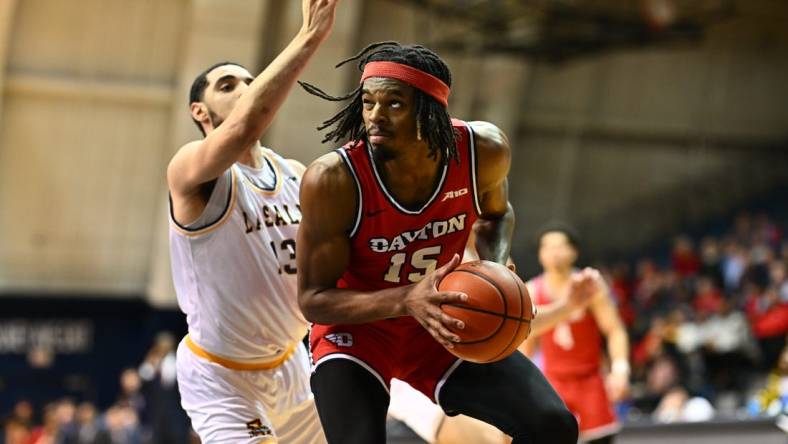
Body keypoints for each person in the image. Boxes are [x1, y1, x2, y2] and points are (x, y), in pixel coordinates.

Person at [296, 42, 578, 444]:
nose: (375, 116)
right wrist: (407, 298)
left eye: (394, 104)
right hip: (357, 332)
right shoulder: (333, 180)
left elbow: (498, 214)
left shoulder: (482, 150)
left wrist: (494, 266)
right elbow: (312, 299)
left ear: (430, 110)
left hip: (443, 321)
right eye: (368, 102)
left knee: (553, 425)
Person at [166, 1, 338, 442]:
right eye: (228, 85)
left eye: (249, 80)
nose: (246, 87)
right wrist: (309, 36)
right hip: (222, 377)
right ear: (200, 114)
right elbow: (243, 128)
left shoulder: (297, 175)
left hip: (291, 363)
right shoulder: (190, 170)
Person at [520, 224, 630, 444]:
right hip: (552, 383)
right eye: (548, 247)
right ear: (540, 254)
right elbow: (526, 344)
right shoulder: (531, 290)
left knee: (601, 439)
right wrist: (523, 386)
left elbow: (614, 329)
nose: (554, 252)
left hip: (590, 379)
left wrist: (620, 370)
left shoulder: (589, 285)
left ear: (574, 252)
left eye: (560, 246)